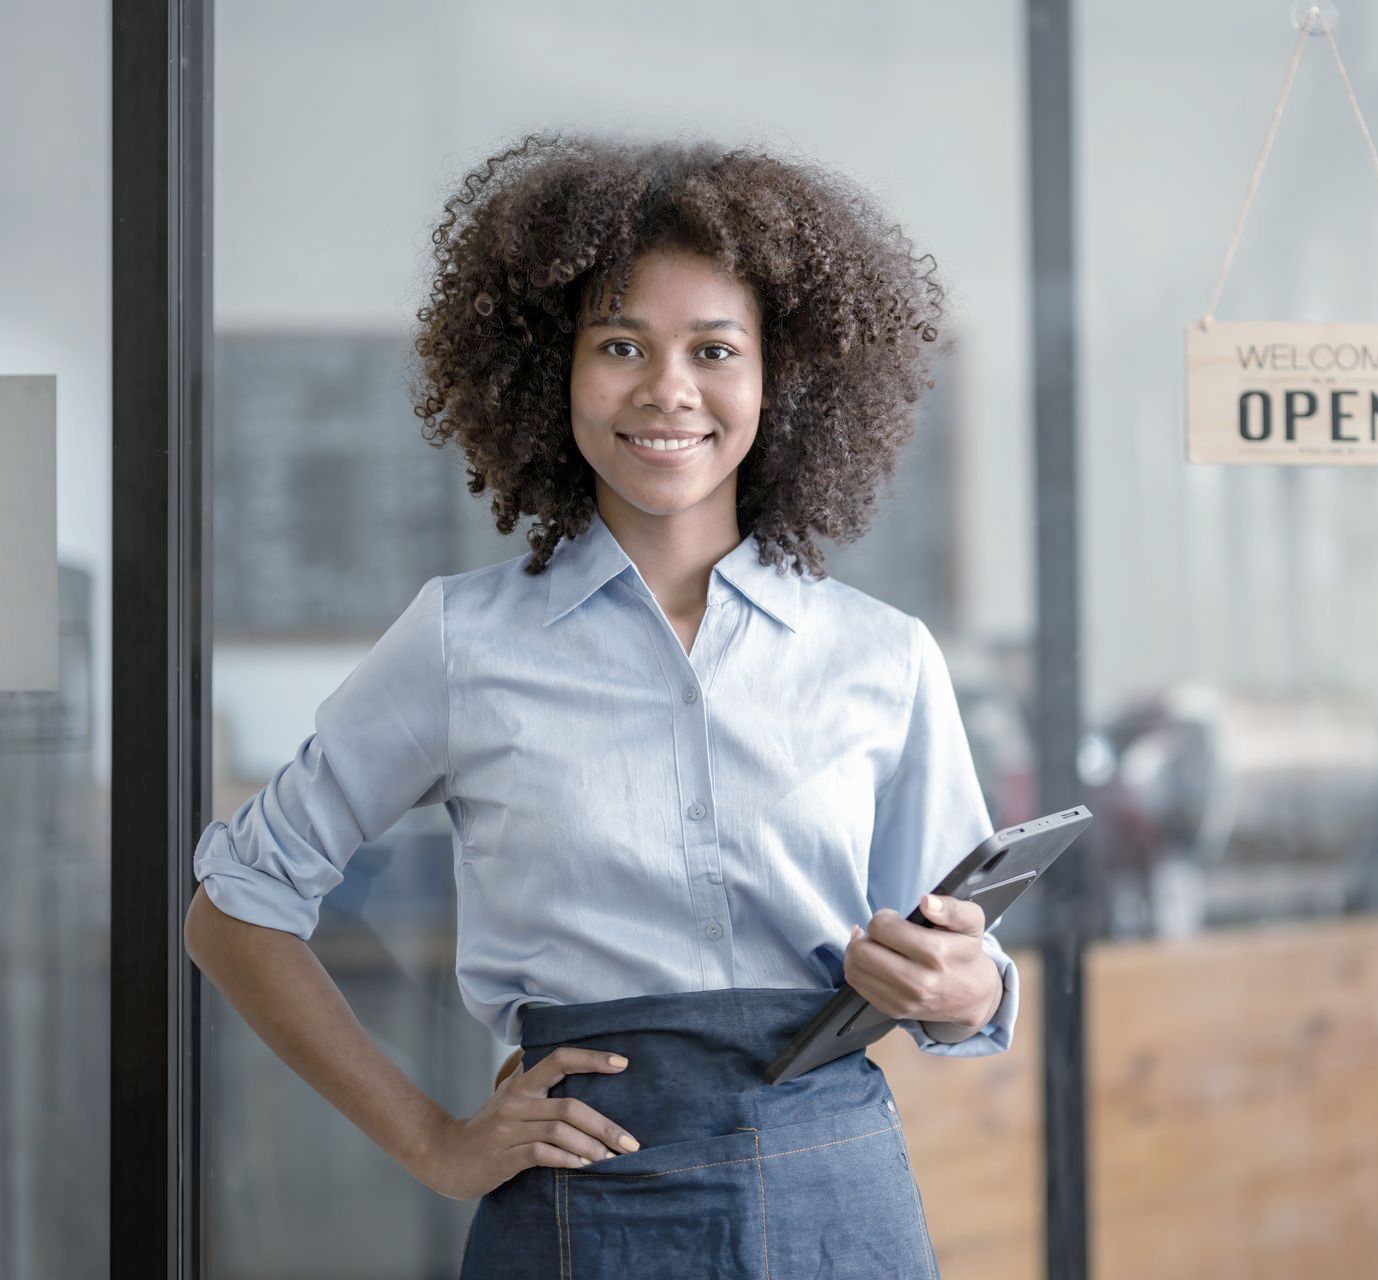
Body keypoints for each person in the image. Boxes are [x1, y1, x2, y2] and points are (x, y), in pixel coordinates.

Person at [181, 132, 1019, 1279]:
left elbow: (959, 971)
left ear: (784, 377)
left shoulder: (884, 655)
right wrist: (434, 1141)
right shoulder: (457, 641)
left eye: (715, 348)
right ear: (546, 371)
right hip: (581, 1211)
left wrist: (968, 989)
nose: (667, 388)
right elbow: (235, 907)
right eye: (619, 343)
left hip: (840, 1202)